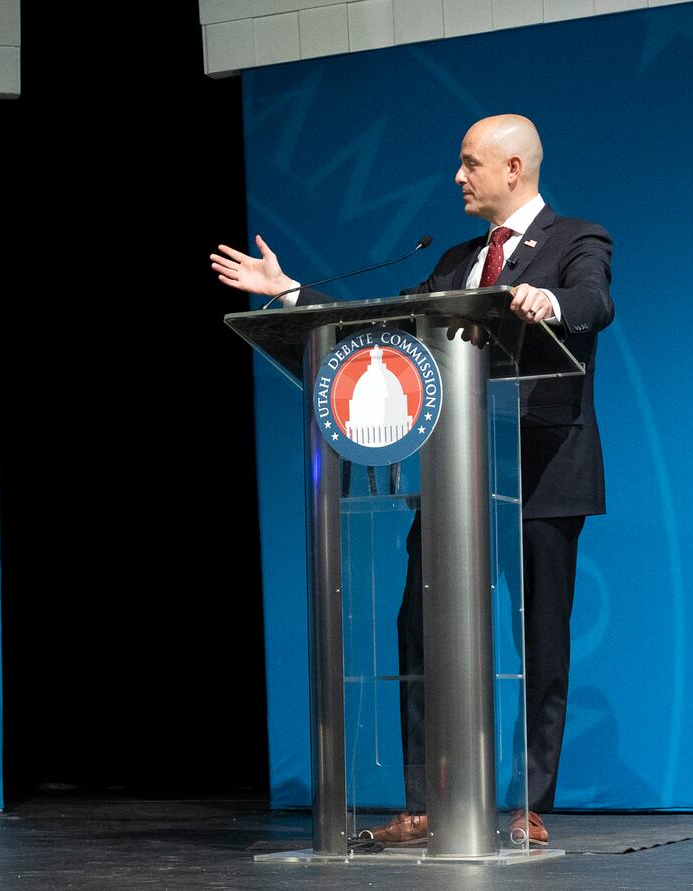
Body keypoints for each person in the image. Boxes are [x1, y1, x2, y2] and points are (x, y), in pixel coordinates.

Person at [211, 114, 613, 847]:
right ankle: (430, 800)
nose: (457, 178)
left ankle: (527, 799)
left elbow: (594, 302)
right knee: (419, 634)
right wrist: (291, 292)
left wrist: (547, 302)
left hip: (544, 473)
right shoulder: (455, 259)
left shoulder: (576, 239)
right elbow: (385, 329)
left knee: (539, 640)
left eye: (469, 164)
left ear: (514, 168)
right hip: (455, 478)